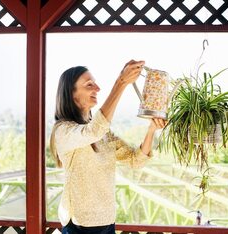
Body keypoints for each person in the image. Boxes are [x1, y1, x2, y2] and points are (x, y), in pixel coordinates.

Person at [50, 60, 167, 234]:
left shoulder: (104, 134)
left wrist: (152, 130)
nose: (97, 88)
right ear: (71, 93)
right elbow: (94, 130)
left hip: (107, 224)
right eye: (89, 85)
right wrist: (121, 83)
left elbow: (136, 160)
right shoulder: (63, 131)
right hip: (78, 226)